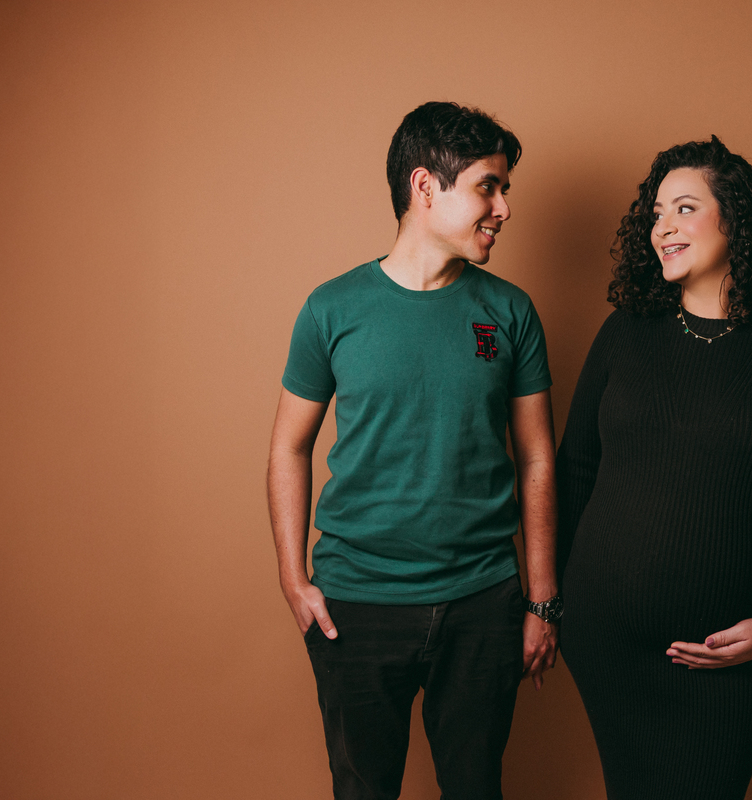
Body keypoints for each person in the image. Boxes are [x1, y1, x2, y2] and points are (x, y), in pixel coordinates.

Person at [267, 101, 562, 800]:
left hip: (483, 600)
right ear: (426, 186)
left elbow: (538, 460)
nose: (504, 208)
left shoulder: (511, 312)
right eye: (488, 186)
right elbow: (288, 447)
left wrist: (542, 601)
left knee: (476, 788)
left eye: (505, 189)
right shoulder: (331, 309)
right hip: (357, 604)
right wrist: (292, 577)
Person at [556, 136, 752, 799]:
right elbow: (574, 468)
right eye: (656, 213)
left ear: (736, 220)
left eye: (685, 208)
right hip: (609, 644)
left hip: (731, 658)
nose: (663, 226)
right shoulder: (625, 332)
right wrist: (563, 601)